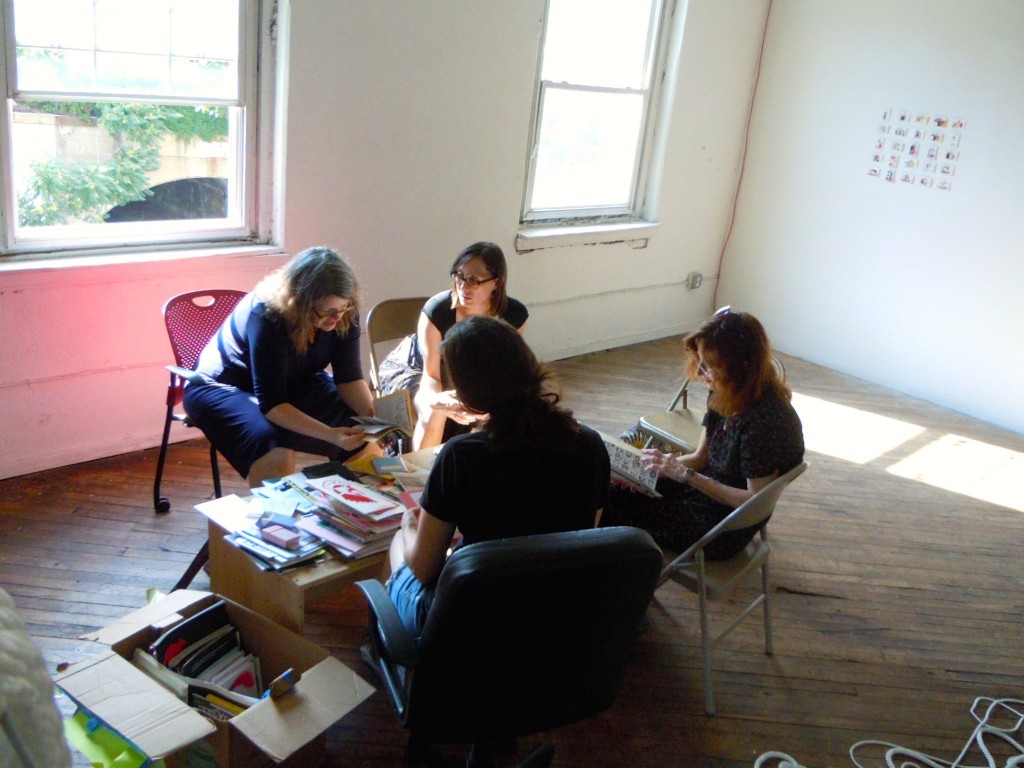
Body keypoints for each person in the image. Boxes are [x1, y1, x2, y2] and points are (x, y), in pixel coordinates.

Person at [383, 315, 610, 639]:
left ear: (467, 394)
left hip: (472, 620)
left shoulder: (460, 456)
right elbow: (586, 532)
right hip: (556, 613)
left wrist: (409, 527)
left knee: (400, 543)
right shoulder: (588, 443)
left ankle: (382, 646)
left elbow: (422, 568)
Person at [602, 307, 804, 559]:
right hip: (704, 491)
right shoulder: (726, 391)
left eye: (708, 366)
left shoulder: (765, 422)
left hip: (725, 525)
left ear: (741, 367)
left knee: (613, 508)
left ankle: (619, 575)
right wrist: (645, 471)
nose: (699, 373)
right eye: (699, 361)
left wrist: (686, 476)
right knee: (611, 488)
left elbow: (751, 500)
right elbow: (700, 458)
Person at [183, 246, 375, 488]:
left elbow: (349, 379)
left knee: (364, 436)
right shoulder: (268, 316)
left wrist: (375, 419)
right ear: (299, 301)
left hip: (295, 380)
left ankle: (363, 512)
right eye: (326, 311)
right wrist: (331, 435)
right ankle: (274, 520)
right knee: (274, 446)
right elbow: (273, 404)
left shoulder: (344, 314)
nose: (336, 318)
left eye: (342, 308)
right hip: (221, 386)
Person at [376, 241, 528, 449]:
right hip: (417, 369)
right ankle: (422, 475)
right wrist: (437, 401)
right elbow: (431, 377)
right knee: (435, 412)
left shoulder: (514, 316)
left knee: (498, 410)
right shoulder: (438, 310)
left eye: (474, 280)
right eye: (460, 276)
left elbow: (499, 371)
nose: (464, 286)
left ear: (496, 282)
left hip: (465, 372)